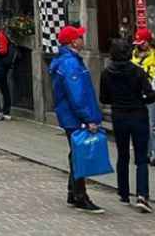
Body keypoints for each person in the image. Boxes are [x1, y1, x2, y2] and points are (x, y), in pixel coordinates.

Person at [48, 25, 105, 214]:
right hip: (74, 117)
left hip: (70, 115)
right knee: (80, 153)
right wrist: (88, 118)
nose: (82, 38)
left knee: (76, 152)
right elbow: (77, 94)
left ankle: (73, 192)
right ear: (73, 41)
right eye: (80, 36)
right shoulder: (70, 63)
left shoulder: (68, 60)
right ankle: (80, 195)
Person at [99, 38, 155, 212]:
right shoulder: (138, 72)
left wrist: (116, 100)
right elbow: (150, 95)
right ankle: (142, 195)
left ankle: (123, 193)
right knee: (141, 158)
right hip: (138, 114)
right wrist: (143, 99)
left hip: (119, 115)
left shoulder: (107, 73)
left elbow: (104, 98)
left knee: (122, 154)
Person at [131, 28, 155, 166]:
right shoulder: (135, 53)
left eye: (142, 42)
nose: (140, 45)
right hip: (137, 92)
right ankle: (144, 153)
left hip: (151, 90)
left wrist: (146, 73)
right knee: (141, 124)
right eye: (138, 43)